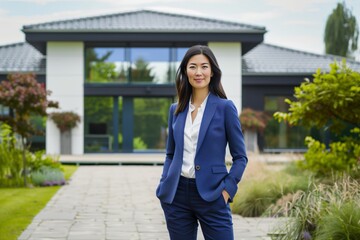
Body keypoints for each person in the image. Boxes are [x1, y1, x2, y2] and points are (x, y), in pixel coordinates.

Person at [156, 45, 248, 240]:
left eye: (204, 66)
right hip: (177, 195)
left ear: (212, 71)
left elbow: (240, 157)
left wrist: (227, 190)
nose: (199, 72)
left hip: (213, 194)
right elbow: (170, 154)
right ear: (185, 71)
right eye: (193, 66)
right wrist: (165, 183)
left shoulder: (225, 108)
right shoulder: (176, 110)